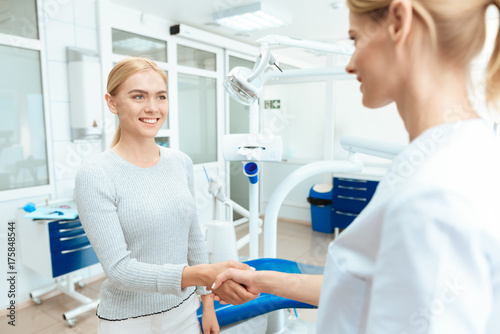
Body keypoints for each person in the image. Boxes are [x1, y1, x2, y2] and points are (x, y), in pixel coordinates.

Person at [211, 0, 500, 333]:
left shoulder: (435, 193)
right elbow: (366, 288)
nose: (350, 64)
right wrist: (264, 281)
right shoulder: (450, 156)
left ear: (398, 22)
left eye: (355, 40)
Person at [74, 57, 250, 334]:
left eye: (161, 97)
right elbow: (119, 270)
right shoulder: (96, 175)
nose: (152, 108)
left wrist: (207, 304)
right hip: (129, 321)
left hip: (184, 312)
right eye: (138, 96)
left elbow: (193, 238)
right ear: (112, 103)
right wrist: (200, 275)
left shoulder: (180, 162)